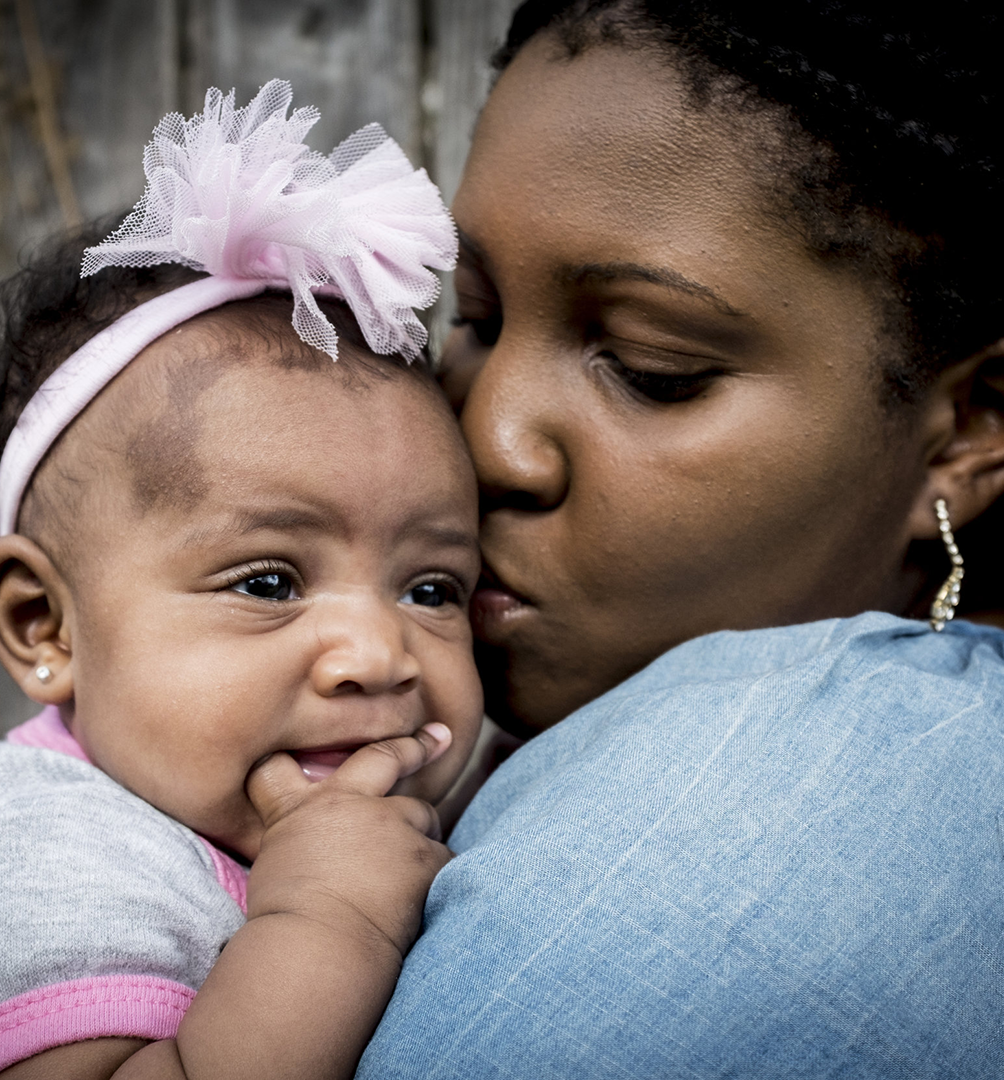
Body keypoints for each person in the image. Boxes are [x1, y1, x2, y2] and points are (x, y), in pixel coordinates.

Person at [356, 1, 1004, 1076]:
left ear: (970, 427)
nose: (487, 439)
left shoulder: (751, 842)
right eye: (473, 318)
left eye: (656, 370)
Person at [0, 81, 484, 1080]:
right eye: (269, 583)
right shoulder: (51, 853)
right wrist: (327, 918)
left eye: (432, 590)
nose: (378, 655)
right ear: (44, 625)